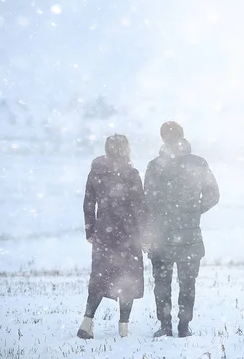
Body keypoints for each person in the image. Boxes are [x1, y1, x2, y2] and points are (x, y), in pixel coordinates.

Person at [143, 121, 220, 338]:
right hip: (190, 235)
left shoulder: (155, 166)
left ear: (163, 139)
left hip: (162, 234)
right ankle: (184, 327)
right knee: (187, 283)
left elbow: (147, 201)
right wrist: (193, 212)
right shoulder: (199, 163)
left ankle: (165, 326)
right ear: (183, 136)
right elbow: (213, 194)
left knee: (162, 283)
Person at [77, 134, 146, 339]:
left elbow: (88, 203)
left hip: (104, 234)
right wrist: (144, 235)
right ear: (126, 149)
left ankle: (87, 322)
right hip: (128, 234)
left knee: (99, 278)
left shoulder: (96, 172)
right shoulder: (131, 173)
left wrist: (91, 231)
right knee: (128, 279)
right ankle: (123, 328)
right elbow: (140, 207)